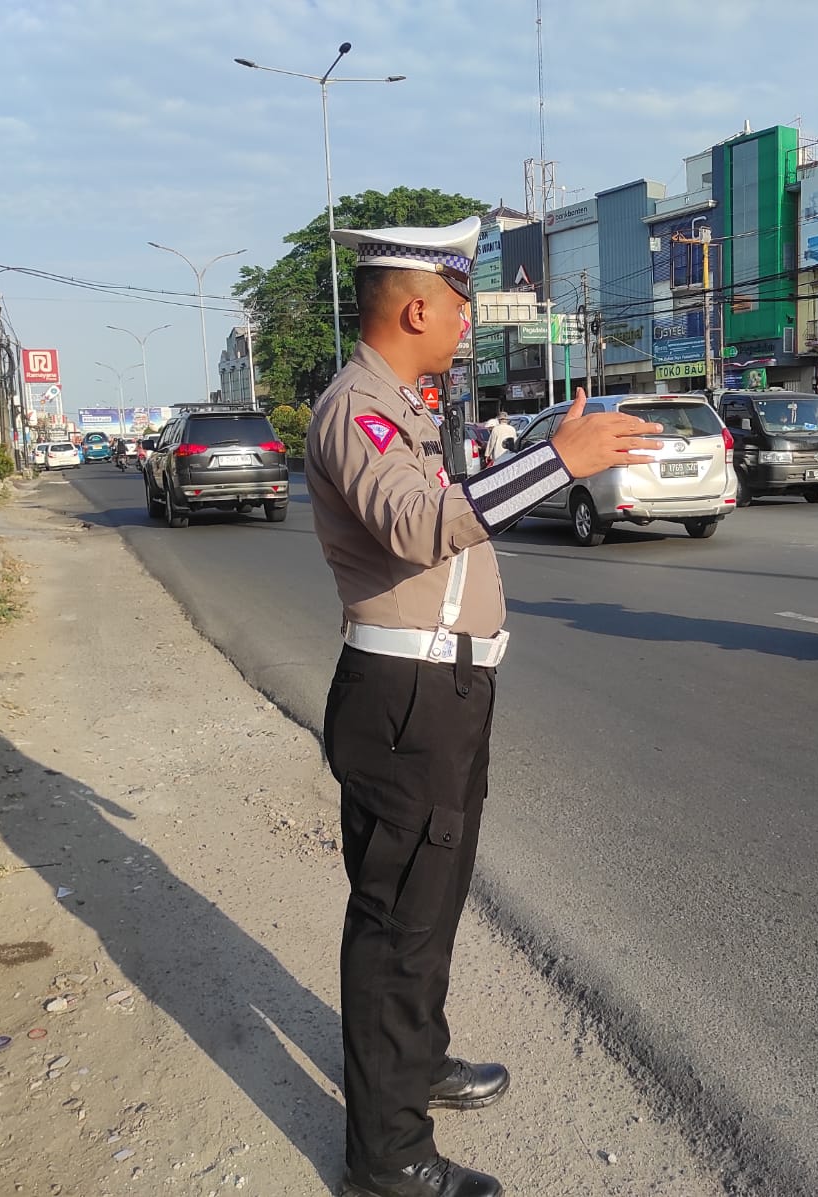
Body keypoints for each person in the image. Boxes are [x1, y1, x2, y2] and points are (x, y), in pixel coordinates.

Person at [306, 215, 662, 1197]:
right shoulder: (357, 408)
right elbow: (418, 526)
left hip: (446, 691)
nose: (468, 321)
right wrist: (560, 463)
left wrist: (551, 454)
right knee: (397, 923)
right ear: (419, 309)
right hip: (405, 699)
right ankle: (387, 1158)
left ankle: (415, 1064)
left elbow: (444, 515)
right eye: (460, 303)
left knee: (431, 903)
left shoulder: (400, 407)